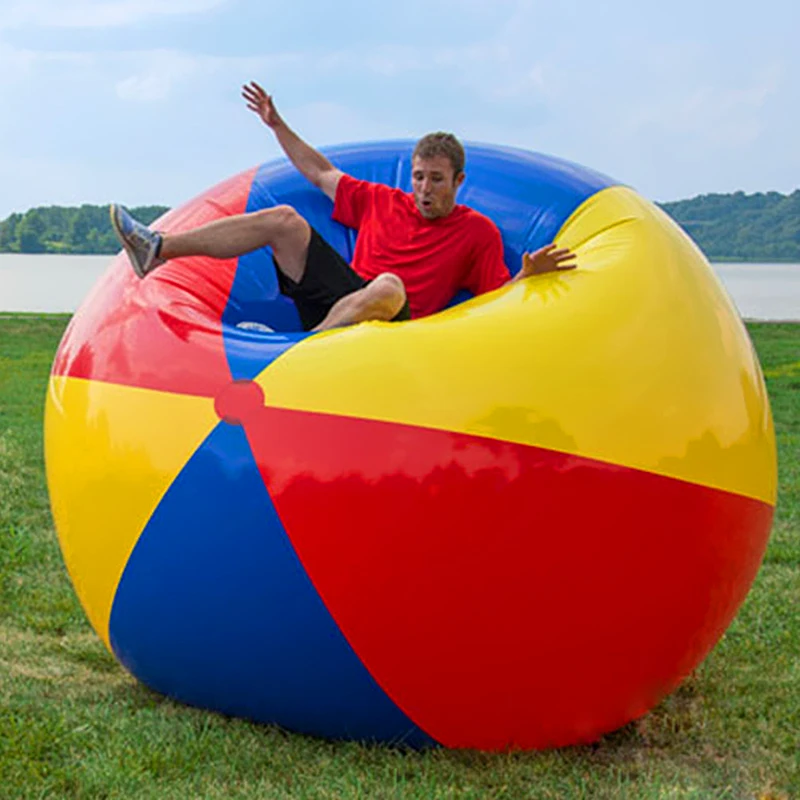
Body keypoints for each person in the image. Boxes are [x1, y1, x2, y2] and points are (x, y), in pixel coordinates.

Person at [110, 81, 577, 332]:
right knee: (285, 221)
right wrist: (277, 125)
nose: (424, 189)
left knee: (389, 285)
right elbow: (319, 173)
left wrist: (526, 277)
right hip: (339, 301)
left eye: (436, 180)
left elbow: (492, 304)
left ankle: (299, 355)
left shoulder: (477, 232)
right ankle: (158, 248)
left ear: (458, 181)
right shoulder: (380, 201)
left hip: (396, 325)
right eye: (418, 177)